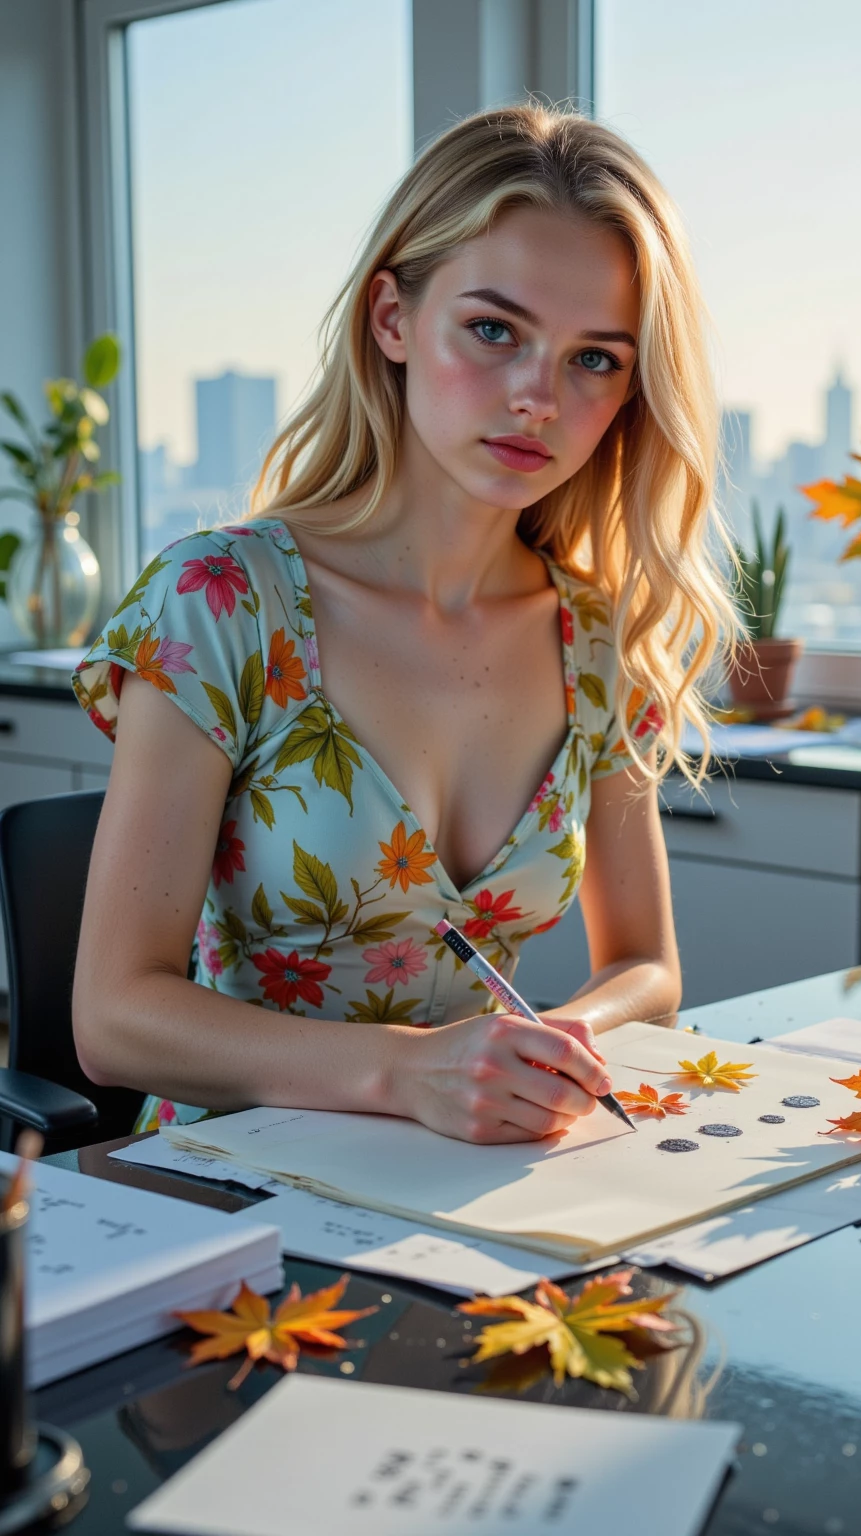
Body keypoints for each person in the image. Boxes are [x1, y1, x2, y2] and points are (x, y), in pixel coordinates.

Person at [71, 103, 735, 1144]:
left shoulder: (598, 641)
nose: (536, 397)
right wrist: (408, 1072)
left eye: (594, 359)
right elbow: (113, 1019)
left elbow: (648, 967)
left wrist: (554, 1039)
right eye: (493, 330)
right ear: (391, 318)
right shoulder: (221, 601)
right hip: (226, 1197)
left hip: (473, 1186)